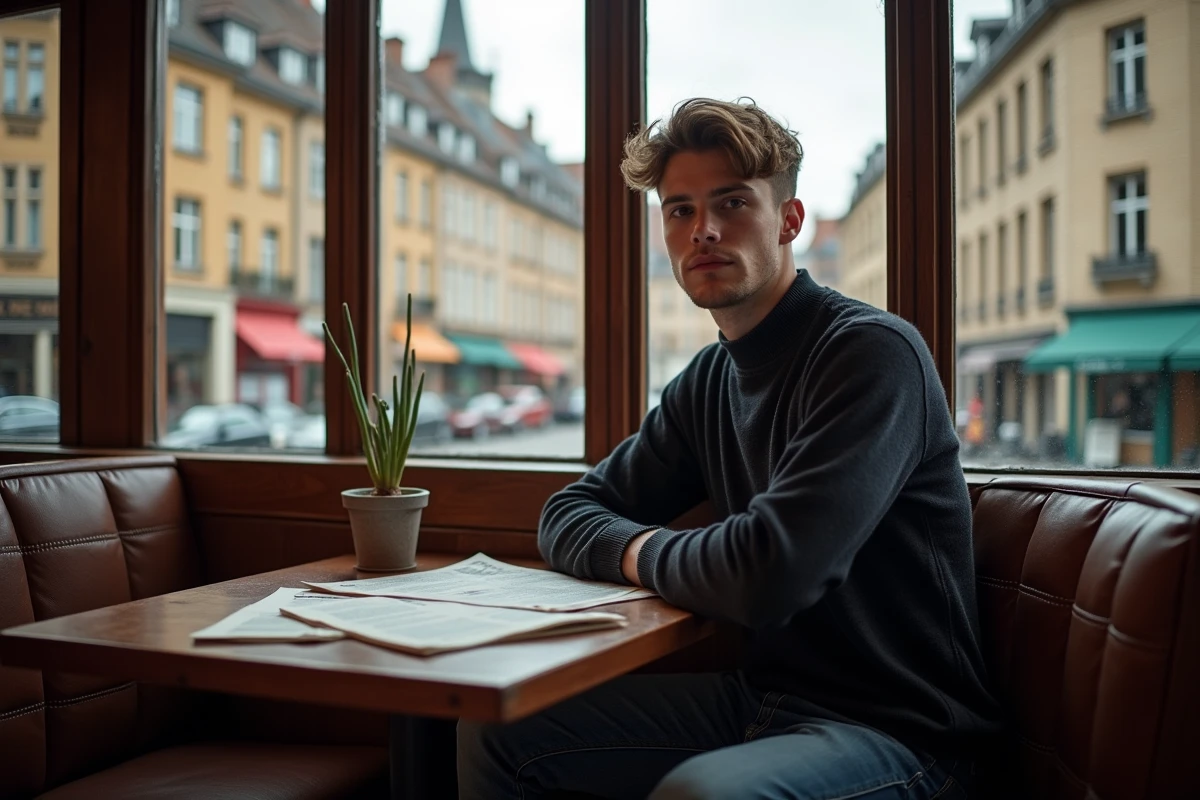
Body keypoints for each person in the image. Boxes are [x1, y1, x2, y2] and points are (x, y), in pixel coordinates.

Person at [457, 98, 1001, 799]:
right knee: (496, 731)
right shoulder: (710, 378)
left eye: (732, 203)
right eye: (679, 210)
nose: (703, 230)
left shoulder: (872, 353)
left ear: (790, 220)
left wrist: (638, 551)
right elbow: (567, 512)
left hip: (907, 735)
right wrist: (648, 549)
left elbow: (769, 573)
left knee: (704, 794)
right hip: (763, 704)